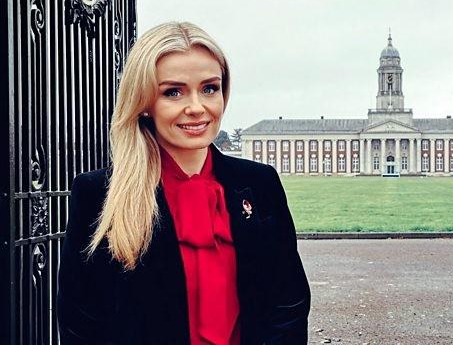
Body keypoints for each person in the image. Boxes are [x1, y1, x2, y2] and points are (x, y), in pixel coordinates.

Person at [56, 22, 311, 344]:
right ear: (144, 102)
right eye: (173, 92)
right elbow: (81, 321)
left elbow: (288, 302)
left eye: (209, 88)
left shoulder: (259, 183)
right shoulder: (98, 193)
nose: (196, 107)